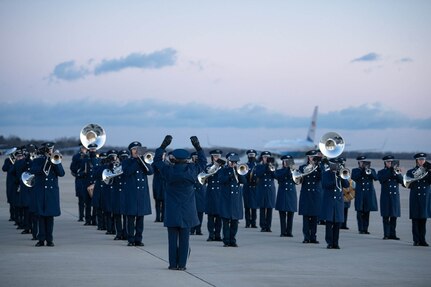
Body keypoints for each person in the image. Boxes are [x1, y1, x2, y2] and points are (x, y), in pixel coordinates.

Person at [153, 135, 207, 270]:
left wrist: (162, 146)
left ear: (174, 159)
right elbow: (203, 162)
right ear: (186, 160)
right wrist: (198, 147)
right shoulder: (192, 171)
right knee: (184, 240)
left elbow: (156, 162)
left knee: (172, 241)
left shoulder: (168, 170)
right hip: (187, 211)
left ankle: (172, 264)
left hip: (172, 211)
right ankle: (182, 265)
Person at [30, 142, 65, 247]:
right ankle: (41, 239)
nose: (50, 151)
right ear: (45, 150)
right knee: (41, 216)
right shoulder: (38, 160)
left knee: (50, 217)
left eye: (52, 149)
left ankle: (49, 239)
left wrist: (55, 162)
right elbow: (33, 170)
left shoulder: (56, 160)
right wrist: (45, 162)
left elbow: (61, 173)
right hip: (40, 191)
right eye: (49, 149)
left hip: (51, 193)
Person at [122, 141, 153, 246]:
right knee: (130, 218)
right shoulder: (127, 161)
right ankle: (130, 239)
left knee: (140, 219)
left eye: (138, 149)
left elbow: (150, 171)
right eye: (134, 149)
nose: (136, 151)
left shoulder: (144, 160)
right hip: (131, 194)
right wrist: (137, 162)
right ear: (130, 151)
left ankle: (138, 239)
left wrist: (143, 160)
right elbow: (127, 172)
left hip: (142, 194)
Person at [321, 158, 349, 249]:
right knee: (329, 223)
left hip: (338, 202)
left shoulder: (340, 174)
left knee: (337, 223)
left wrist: (341, 176)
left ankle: (336, 243)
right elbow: (325, 185)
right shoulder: (326, 174)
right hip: (329, 201)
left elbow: (346, 185)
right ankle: (329, 242)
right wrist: (335, 178)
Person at [218, 153, 245, 247]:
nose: (233, 163)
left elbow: (244, 181)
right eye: (232, 162)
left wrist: (238, 172)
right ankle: (226, 241)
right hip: (226, 199)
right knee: (225, 222)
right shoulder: (223, 170)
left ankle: (233, 240)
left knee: (234, 222)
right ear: (228, 161)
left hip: (236, 200)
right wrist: (230, 174)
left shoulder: (239, 170)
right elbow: (220, 180)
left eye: (235, 162)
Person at [405, 153, 431, 246]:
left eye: (423, 159)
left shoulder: (429, 171)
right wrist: (420, 172)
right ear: (416, 161)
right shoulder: (411, 171)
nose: (422, 161)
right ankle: (416, 240)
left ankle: (422, 240)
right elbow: (406, 184)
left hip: (425, 198)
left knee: (423, 220)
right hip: (415, 197)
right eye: (420, 160)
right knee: (415, 219)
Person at [298, 150, 322, 244]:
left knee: (314, 217)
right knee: (306, 217)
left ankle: (313, 237)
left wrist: (319, 166)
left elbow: (322, 178)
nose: (312, 158)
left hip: (315, 194)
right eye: (311, 157)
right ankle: (306, 237)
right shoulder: (302, 167)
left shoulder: (319, 167)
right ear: (308, 157)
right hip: (306, 194)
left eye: (314, 157)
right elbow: (298, 180)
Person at [377, 155, 403, 240]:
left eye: (391, 162)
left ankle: (393, 234)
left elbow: (402, 181)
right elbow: (381, 180)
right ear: (385, 163)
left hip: (394, 197)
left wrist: (396, 173)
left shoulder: (396, 171)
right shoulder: (381, 172)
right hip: (386, 197)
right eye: (388, 162)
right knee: (386, 217)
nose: (390, 163)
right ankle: (386, 234)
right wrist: (390, 171)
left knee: (394, 216)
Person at [351, 155, 378, 234]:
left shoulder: (371, 170)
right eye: (361, 162)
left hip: (368, 194)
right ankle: (361, 228)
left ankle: (366, 228)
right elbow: (354, 177)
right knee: (359, 211)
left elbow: (376, 178)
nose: (363, 163)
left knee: (367, 212)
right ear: (358, 162)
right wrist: (362, 171)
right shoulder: (355, 170)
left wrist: (368, 171)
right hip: (360, 193)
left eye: (364, 162)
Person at [274, 155, 297, 237]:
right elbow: (278, 177)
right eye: (285, 161)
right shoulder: (280, 171)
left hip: (291, 194)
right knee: (282, 213)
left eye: (288, 161)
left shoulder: (294, 171)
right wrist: (287, 170)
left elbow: (297, 181)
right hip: (283, 193)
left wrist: (292, 170)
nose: (286, 163)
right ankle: (283, 231)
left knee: (291, 214)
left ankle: (289, 231)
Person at [205, 149, 225, 241]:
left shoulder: (224, 168)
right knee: (210, 216)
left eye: (218, 156)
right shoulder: (208, 167)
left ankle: (217, 235)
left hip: (220, 194)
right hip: (211, 193)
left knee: (219, 217)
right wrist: (214, 167)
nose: (216, 158)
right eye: (214, 156)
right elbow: (204, 178)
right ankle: (210, 235)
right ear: (212, 157)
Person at [70, 143, 88, 222]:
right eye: (83, 147)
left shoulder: (91, 156)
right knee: (81, 199)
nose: (84, 148)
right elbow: (73, 168)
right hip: (80, 179)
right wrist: (80, 159)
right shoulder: (76, 156)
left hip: (88, 179)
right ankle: (81, 216)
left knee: (88, 200)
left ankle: (89, 217)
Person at [190, 151, 206, 235]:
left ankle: (198, 229)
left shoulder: (202, 166)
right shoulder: (189, 166)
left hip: (201, 190)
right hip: (192, 191)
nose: (196, 158)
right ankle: (192, 229)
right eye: (194, 156)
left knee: (200, 211)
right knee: (192, 211)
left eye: (197, 156)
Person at [243, 149, 259, 228]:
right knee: (247, 206)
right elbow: (242, 175)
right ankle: (247, 222)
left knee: (254, 206)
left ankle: (253, 222)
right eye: (250, 155)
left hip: (255, 188)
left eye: (253, 155)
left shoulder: (258, 165)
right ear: (248, 156)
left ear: (255, 156)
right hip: (247, 187)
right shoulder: (245, 165)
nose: (251, 157)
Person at [152, 150, 166, 223]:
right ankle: (157, 217)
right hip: (157, 184)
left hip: (164, 184)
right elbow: (151, 170)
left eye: (163, 154)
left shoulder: (167, 163)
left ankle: (163, 217)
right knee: (157, 201)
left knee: (164, 202)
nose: (162, 155)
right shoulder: (155, 163)